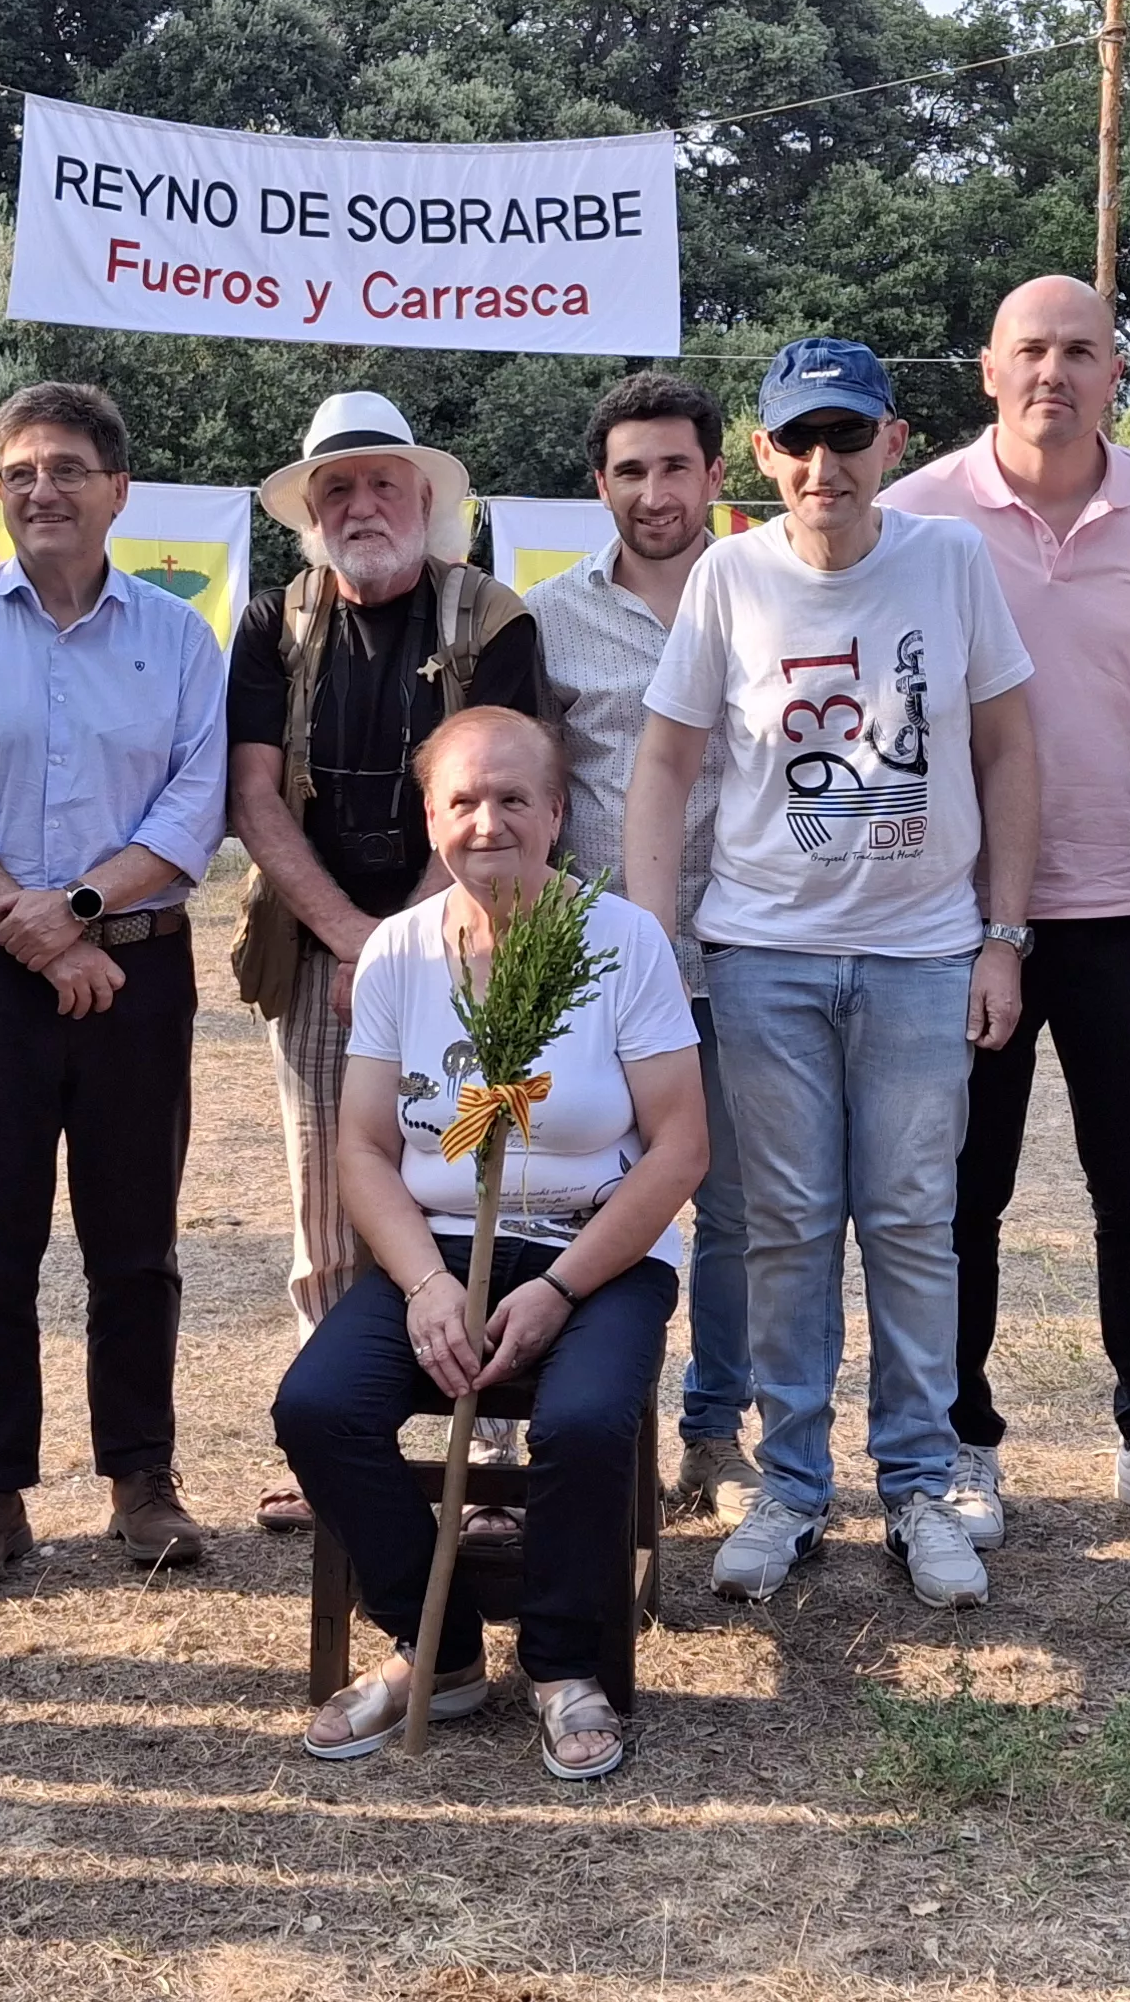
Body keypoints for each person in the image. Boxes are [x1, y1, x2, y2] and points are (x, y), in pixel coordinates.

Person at [629, 337, 1040, 1612]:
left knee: (915, 1224)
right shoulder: (730, 580)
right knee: (790, 1228)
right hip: (766, 960)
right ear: (762, 455)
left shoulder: (952, 560)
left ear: (893, 443)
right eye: (798, 442)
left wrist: (1003, 935)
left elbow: (1011, 752)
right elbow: (662, 766)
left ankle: (919, 1488)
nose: (824, 465)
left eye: (848, 438)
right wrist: (657, 946)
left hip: (924, 958)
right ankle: (795, 1488)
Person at [272, 707, 707, 1781]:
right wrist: (422, 1284)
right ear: (431, 817)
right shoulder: (399, 953)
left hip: (592, 1249)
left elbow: (679, 1148)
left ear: (557, 814)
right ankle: (441, 1649)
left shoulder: (622, 942)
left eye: (514, 798)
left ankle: (564, 1667)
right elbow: (367, 1149)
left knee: (588, 1418)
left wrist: (560, 1288)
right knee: (318, 1408)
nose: (488, 821)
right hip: (443, 1246)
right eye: (462, 799)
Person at [880, 275, 1130, 1549]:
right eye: (1029, 349)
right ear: (988, 369)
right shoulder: (913, 511)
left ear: (1115, 376)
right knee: (957, 1189)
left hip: (1126, 902)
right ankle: (963, 1441)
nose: (1055, 373)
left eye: (1082, 352)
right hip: (951, 920)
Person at [0, 380, 228, 1591]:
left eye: (70, 468)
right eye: (22, 469)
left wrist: (77, 909)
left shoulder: (182, 636)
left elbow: (194, 808)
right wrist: (35, 930)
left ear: (118, 490)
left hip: (138, 973)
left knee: (135, 1242)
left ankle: (143, 1477)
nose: (44, 489)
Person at [228, 390, 547, 1532]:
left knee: (483, 1169)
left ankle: (494, 1448)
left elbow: (502, 803)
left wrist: (404, 939)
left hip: (473, 939)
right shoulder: (276, 621)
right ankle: (337, 1441)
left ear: (426, 499)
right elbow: (254, 798)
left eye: (382, 484)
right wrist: (351, 938)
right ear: (313, 514)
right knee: (330, 1187)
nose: (362, 506)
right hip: (320, 953)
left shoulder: (493, 616)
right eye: (338, 490)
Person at [526, 371, 756, 1520]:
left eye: (676, 466)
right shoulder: (550, 614)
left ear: (719, 474)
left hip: (754, 948)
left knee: (737, 1207)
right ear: (598, 484)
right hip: (600, 966)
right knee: (580, 1195)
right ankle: (588, 1437)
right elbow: (528, 789)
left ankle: (714, 1435)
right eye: (631, 470)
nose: (655, 491)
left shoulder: (774, 592)